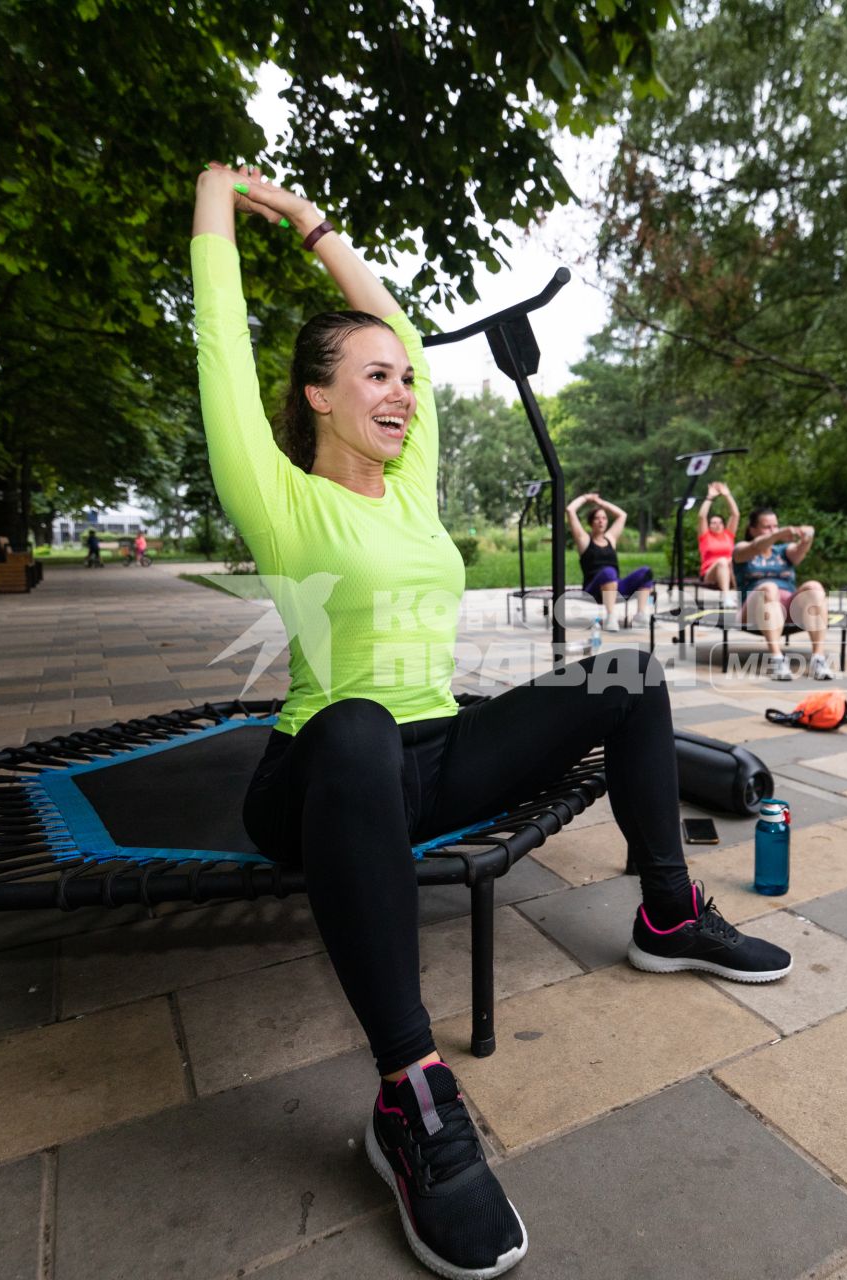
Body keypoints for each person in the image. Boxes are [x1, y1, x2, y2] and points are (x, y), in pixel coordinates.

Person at [192, 163, 790, 1280]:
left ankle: (668, 916)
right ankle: (411, 1096)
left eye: (408, 383)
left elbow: (401, 326)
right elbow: (222, 344)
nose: (402, 393)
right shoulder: (276, 492)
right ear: (318, 394)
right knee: (363, 718)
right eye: (376, 377)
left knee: (628, 672)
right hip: (321, 771)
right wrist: (220, 198)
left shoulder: (405, 482)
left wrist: (320, 223)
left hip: (436, 753)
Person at [732, 506, 832, 682]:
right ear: (752, 529)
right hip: (754, 609)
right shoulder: (742, 549)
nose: (773, 530)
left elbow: (799, 552)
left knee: (814, 586)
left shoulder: (783, 551)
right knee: (769, 587)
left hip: (787, 610)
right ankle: (777, 660)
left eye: (775, 526)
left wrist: (807, 537)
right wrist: (777, 535)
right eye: (767, 527)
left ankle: (818, 658)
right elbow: (756, 546)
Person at [566, 491, 654, 628]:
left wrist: (601, 503)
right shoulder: (584, 540)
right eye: (597, 518)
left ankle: (640, 615)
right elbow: (570, 510)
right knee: (608, 572)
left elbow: (622, 515)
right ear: (591, 522)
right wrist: (586, 498)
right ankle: (610, 617)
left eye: (604, 518)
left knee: (645, 572)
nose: (601, 521)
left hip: (615, 586)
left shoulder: (610, 538)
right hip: (593, 590)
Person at [697, 480, 739, 603]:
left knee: (732, 561)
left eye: (720, 522)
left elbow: (735, 515)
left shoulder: (728, 534)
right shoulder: (705, 536)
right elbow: (701, 517)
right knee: (722, 561)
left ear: (724, 524)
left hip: (730, 571)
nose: (717, 525)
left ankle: (740, 595)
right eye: (713, 523)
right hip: (710, 573)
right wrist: (709, 497)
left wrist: (727, 495)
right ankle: (726, 597)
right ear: (709, 525)